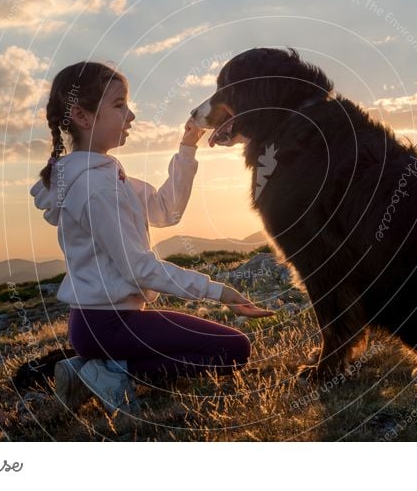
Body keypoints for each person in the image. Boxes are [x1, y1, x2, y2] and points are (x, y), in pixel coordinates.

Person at [30, 61, 273, 413]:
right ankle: (109, 372)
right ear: (83, 117)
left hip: (103, 323)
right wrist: (218, 292)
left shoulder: (106, 175)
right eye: (118, 106)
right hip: (107, 325)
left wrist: (187, 147)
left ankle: (97, 369)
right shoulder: (95, 187)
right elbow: (139, 269)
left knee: (226, 346)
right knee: (233, 348)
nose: (130, 115)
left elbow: (165, 209)